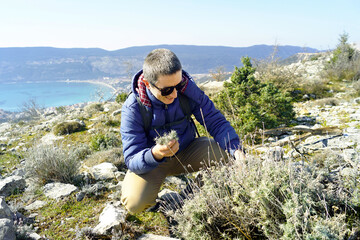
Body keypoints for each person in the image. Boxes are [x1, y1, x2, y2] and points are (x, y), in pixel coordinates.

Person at [120, 48, 245, 213]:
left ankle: (195, 192)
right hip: (153, 163)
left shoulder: (188, 90)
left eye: (177, 85)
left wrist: (236, 150)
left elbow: (215, 121)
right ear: (147, 84)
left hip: (188, 151)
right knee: (135, 204)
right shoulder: (133, 108)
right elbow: (132, 158)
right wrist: (156, 154)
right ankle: (162, 205)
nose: (175, 94)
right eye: (166, 90)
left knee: (230, 155)